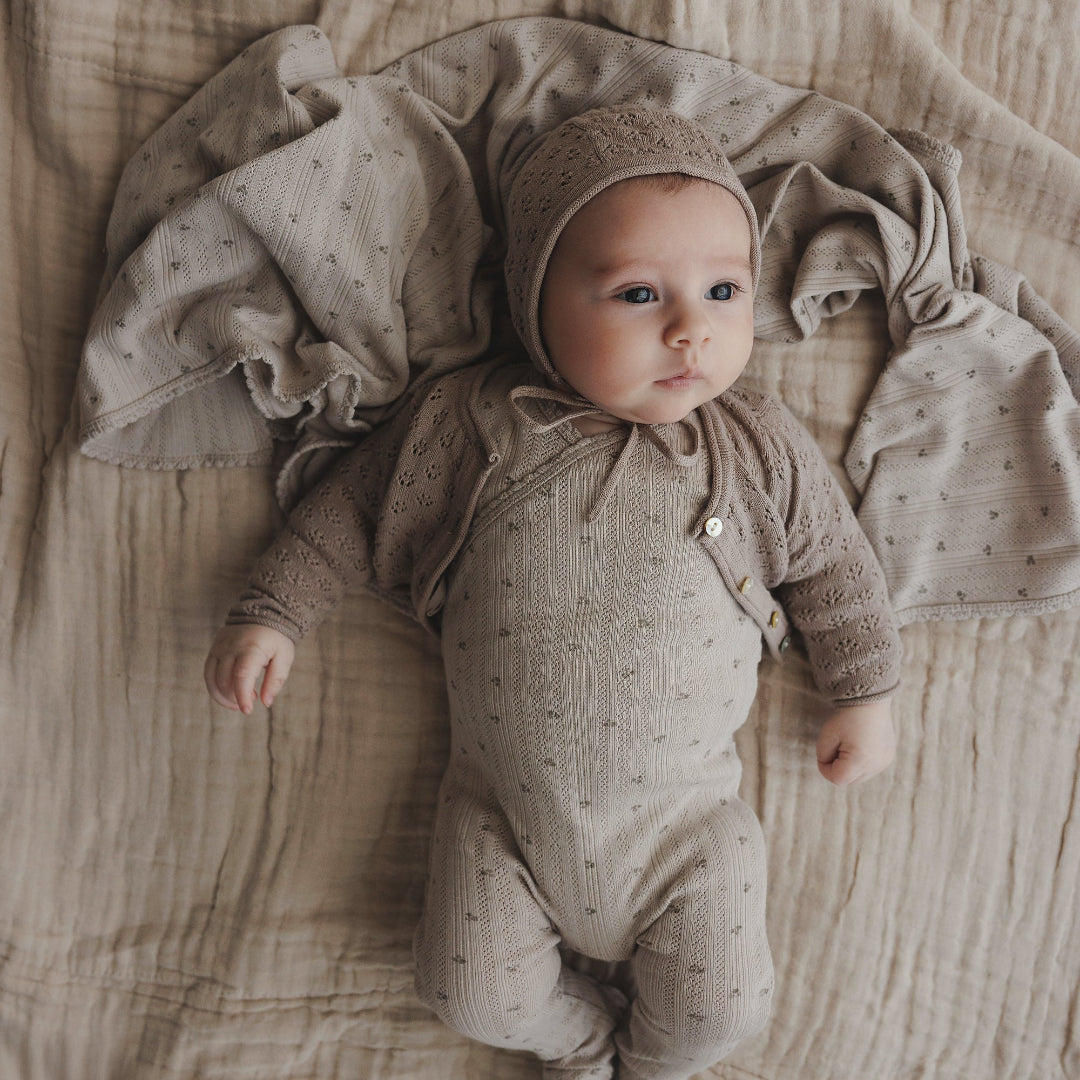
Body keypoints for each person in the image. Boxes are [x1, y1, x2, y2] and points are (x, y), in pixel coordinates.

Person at [204, 106, 902, 1080]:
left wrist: (863, 691)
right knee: (466, 993)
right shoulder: (474, 422)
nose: (689, 329)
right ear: (538, 298)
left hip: (690, 829)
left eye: (722, 290)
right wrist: (274, 611)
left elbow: (836, 565)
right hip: (502, 818)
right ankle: (576, 1044)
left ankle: (652, 1066)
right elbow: (352, 518)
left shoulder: (753, 442)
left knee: (726, 1012)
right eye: (635, 293)